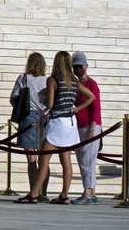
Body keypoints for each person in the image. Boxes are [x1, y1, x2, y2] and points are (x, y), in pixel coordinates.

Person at [17, 51, 95, 204]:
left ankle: (33, 194)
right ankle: (64, 195)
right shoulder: (73, 80)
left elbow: (51, 104)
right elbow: (91, 96)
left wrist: (44, 98)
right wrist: (77, 108)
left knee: (44, 159)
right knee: (66, 160)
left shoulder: (53, 79)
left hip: (57, 122)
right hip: (70, 123)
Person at [10, 52, 48, 200]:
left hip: (28, 117)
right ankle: (42, 192)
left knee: (31, 158)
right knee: (44, 158)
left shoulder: (23, 78)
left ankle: (33, 191)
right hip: (45, 116)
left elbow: (13, 99)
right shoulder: (47, 80)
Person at [71, 51, 102, 205]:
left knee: (87, 161)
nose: (77, 69)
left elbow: (96, 108)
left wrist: (92, 129)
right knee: (85, 160)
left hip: (90, 127)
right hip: (79, 127)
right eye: (74, 67)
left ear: (86, 66)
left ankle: (87, 192)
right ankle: (92, 192)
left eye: (80, 66)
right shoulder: (76, 85)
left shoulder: (91, 84)